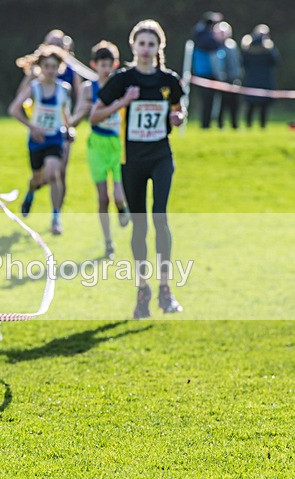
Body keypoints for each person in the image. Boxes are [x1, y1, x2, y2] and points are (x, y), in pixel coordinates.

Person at [93, 19, 186, 318]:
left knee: (160, 217)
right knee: (140, 225)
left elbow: (177, 109)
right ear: (133, 46)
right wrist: (124, 101)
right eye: (141, 44)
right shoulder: (122, 80)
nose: (146, 49)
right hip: (131, 160)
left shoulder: (169, 81)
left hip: (161, 156)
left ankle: (165, 289)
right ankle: (142, 289)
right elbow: (95, 117)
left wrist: (178, 118)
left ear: (159, 47)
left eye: (151, 44)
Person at [69, 40, 130, 259]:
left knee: (119, 196)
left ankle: (122, 208)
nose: (105, 68)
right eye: (101, 64)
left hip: (118, 145)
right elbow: (78, 115)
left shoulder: (121, 87)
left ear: (115, 65)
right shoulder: (89, 88)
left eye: (109, 64)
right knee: (103, 198)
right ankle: (108, 242)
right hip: (97, 145)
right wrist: (70, 123)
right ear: (94, 65)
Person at [9, 48, 71, 235]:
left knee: (53, 175)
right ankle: (30, 193)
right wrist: (32, 127)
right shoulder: (34, 88)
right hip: (37, 140)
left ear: (59, 68)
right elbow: (14, 109)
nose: (50, 70)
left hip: (54, 139)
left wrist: (69, 129)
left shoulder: (63, 90)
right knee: (38, 179)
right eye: (47, 66)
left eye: (54, 66)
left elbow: (65, 114)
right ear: (40, 68)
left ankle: (55, 218)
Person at [242, 24, 279, 129]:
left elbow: (243, 62)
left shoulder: (248, 48)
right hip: (264, 80)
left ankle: (248, 125)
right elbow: (275, 61)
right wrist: (270, 48)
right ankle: (262, 126)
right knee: (263, 106)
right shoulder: (268, 48)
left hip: (251, 80)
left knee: (251, 105)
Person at [191, 11, 223, 129]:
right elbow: (215, 47)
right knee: (208, 102)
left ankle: (205, 123)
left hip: (200, 73)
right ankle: (206, 124)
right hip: (208, 73)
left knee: (205, 101)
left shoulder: (198, 33)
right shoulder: (207, 37)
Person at [213, 21, 242, 129]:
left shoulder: (232, 46)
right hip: (221, 81)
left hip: (233, 79)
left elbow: (236, 63)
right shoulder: (216, 47)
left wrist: (237, 76)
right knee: (221, 105)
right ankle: (220, 124)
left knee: (234, 104)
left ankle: (234, 124)